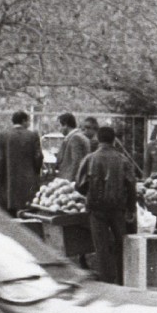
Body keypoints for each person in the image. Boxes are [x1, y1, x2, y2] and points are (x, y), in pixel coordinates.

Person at [74, 126, 140, 286]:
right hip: (118, 208)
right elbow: (131, 186)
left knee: (101, 247)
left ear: (98, 139)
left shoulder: (90, 159)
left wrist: (89, 193)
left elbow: (79, 185)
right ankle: (123, 280)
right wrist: (131, 208)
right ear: (113, 140)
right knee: (121, 244)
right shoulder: (122, 159)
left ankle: (107, 282)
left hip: (96, 209)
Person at [0, 110, 42, 216]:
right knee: (28, 210)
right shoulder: (33, 135)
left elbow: (0, 159)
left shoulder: (3, 135)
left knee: (9, 213)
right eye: (28, 121)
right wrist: (36, 172)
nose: (29, 124)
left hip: (9, 181)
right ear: (24, 121)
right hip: (28, 180)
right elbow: (38, 157)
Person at [54, 113, 91, 182]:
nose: (59, 129)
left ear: (65, 125)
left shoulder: (75, 138)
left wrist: (70, 182)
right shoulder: (79, 136)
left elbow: (77, 162)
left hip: (69, 181)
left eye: (59, 126)